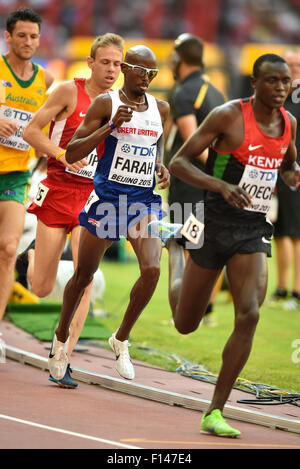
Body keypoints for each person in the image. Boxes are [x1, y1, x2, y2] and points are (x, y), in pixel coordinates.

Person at [148, 54, 300, 437]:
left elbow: (287, 165)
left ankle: (214, 410)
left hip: (251, 227)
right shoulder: (228, 116)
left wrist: (293, 175)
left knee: (249, 313)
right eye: (273, 81)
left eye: (286, 81)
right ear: (254, 82)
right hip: (214, 221)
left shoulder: (289, 125)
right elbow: (180, 161)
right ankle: (177, 250)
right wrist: (221, 186)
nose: (281, 87)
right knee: (186, 324)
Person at [47, 45, 170, 384]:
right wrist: (110, 127)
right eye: (142, 71)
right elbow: (72, 151)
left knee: (153, 268)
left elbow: (159, 143)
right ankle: (60, 339)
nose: (147, 78)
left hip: (142, 201)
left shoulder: (161, 108)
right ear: (127, 69)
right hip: (108, 200)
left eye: (154, 74)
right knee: (84, 275)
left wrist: (161, 165)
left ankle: (121, 338)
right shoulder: (106, 104)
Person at [18, 33, 124, 388]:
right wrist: (64, 155)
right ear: (90, 62)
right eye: (105, 62)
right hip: (59, 190)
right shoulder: (67, 91)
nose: (111, 70)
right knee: (43, 287)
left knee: (85, 276)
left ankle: (61, 356)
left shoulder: (119, 103)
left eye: (117, 64)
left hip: (92, 196)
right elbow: (31, 130)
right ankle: (31, 260)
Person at [165, 33, 225, 326]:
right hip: (211, 184)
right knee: (205, 243)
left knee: (186, 244)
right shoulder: (214, 91)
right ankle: (207, 310)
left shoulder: (185, 91)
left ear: (179, 57)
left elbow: (193, 143)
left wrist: (213, 172)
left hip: (189, 183)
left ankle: (190, 311)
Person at [0, 8, 54, 323]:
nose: (28, 41)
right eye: (21, 35)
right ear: (8, 36)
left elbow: (45, 125)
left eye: (34, 36)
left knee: (8, 249)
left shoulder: (44, 78)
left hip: (17, 174)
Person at [269, 49, 300, 310]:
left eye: (297, 64)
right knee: (287, 233)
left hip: (291, 172)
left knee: (290, 233)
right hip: (283, 172)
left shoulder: (292, 100)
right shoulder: (285, 97)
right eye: (289, 64)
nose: (294, 68)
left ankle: (289, 291)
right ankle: (288, 291)